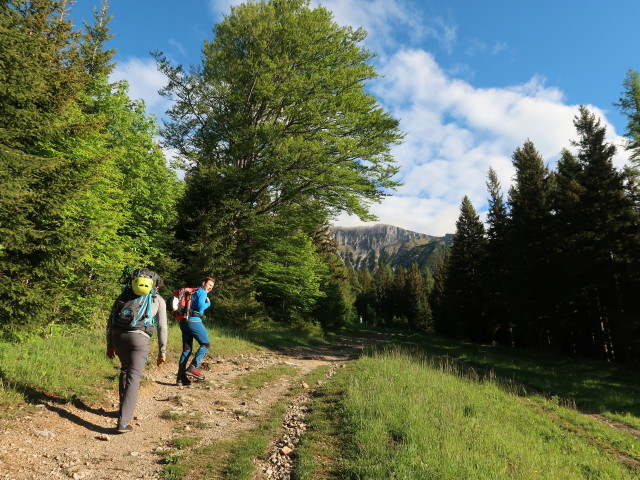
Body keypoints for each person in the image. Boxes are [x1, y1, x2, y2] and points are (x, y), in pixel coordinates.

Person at [106, 272, 168, 433]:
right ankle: (124, 422)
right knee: (133, 378)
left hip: (118, 337)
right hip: (139, 340)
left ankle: (122, 411)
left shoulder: (125, 295)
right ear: (156, 285)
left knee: (125, 370)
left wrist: (110, 345)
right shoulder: (158, 300)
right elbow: (162, 328)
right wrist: (162, 351)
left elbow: (111, 319)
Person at [176, 276, 215, 387]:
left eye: (212, 286)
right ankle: (193, 366)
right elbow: (201, 307)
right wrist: (208, 303)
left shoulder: (193, 292)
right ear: (203, 283)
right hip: (194, 321)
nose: (210, 288)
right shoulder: (202, 292)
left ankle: (180, 378)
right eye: (209, 285)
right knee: (206, 344)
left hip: (184, 322)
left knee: (187, 350)